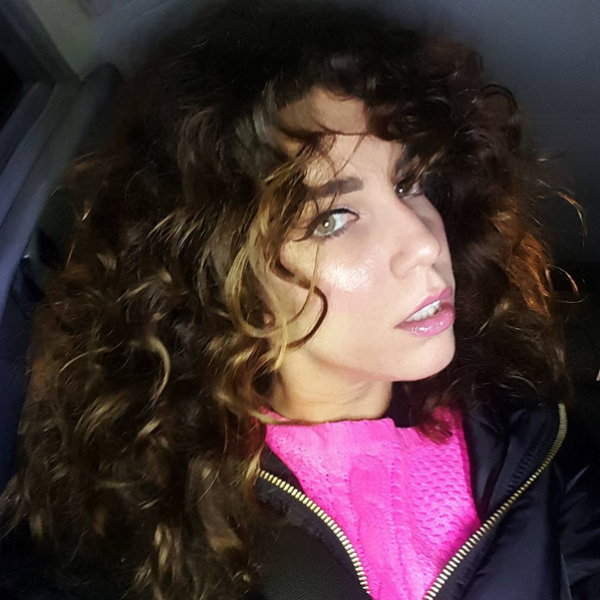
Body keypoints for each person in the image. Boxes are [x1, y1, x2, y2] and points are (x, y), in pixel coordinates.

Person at [1, 0, 599, 598]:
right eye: (333, 219)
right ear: (226, 280)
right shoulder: (140, 523)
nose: (423, 242)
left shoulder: (534, 440)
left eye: (410, 183)